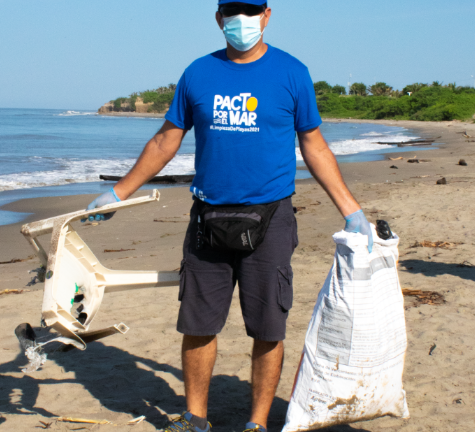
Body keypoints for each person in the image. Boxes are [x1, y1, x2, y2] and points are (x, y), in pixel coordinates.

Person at [84, 1, 372, 431]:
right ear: (219, 18)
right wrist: (118, 193)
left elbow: (313, 144)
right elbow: (166, 140)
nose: (242, 20)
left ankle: (257, 423)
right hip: (208, 218)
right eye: (232, 11)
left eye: (250, 10)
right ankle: (195, 418)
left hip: (271, 217)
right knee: (198, 324)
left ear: (267, 15)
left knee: (268, 327)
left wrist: (351, 210)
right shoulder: (198, 73)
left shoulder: (292, 73)